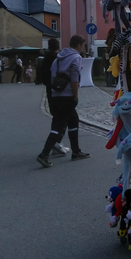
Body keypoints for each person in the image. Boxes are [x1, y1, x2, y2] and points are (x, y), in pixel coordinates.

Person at [37, 35, 90, 167]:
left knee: (73, 121)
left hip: (56, 94)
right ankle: (43, 154)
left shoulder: (59, 58)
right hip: (68, 95)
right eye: (82, 45)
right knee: (59, 125)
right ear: (79, 46)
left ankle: (76, 151)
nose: (83, 48)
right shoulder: (76, 57)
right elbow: (74, 78)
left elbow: (52, 74)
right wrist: (75, 95)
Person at [39, 39, 70, 158]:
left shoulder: (46, 58)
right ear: (58, 46)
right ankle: (56, 142)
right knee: (62, 118)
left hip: (49, 89)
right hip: (59, 90)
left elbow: (43, 76)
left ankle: (57, 143)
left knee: (56, 116)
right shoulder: (58, 58)